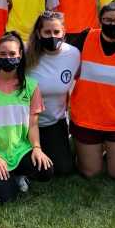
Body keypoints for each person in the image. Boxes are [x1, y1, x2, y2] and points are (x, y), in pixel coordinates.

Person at [0, 32, 54, 203]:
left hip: (19, 149)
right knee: (6, 197)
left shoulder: (31, 86)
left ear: (20, 55)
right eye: (3, 54)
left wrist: (37, 148)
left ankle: (16, 174)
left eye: (12, 54)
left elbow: (32, 125)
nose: (7, 58)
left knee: (46, 170)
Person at [69, 1, 115, 181]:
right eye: (108, 20)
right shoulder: (86, 37)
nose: (112, 24)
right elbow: (62, 57)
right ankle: (90, 151)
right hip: (86, 119)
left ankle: (110, 150)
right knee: (91, 173)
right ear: (100, 21)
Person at [25, 11, 80, 176]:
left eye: (56, 32)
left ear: (64, 32)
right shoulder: (25, 53)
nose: (52, 36)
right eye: (47, 32)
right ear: (38, 33)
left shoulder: (74, 54)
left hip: (54, 123)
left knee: (64, 170)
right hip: (24, 124)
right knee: (39, 170)